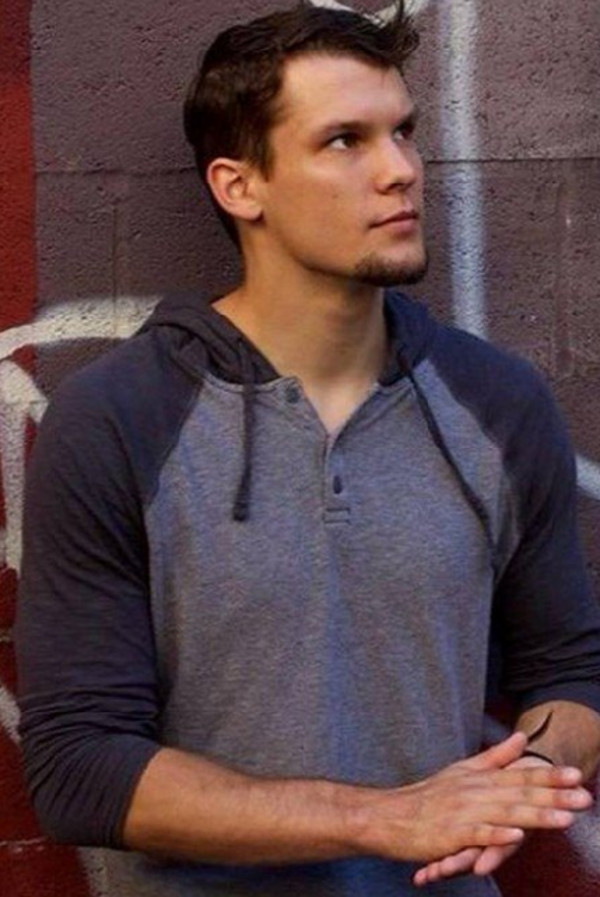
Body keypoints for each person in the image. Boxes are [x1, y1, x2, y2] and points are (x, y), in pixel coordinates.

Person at [15, 3, 600, 896]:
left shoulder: (497, 402)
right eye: (344, 141)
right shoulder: (117, 418)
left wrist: (520, 782)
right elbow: (79, 768)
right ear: (238, 186)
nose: (401, 170)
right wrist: (381, 816)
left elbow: (571, 670)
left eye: (404, 131)